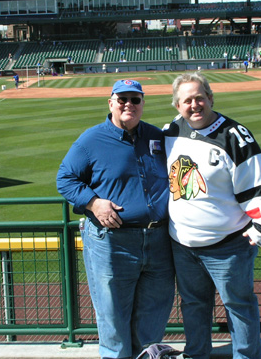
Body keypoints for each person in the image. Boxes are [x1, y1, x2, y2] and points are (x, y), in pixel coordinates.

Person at [57, 79, 175, 359]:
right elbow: (65, 178)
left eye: (135, 99)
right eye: (122, 99)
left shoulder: (157, 137)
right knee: (113, 314)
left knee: (154, 310)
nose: (128, 105)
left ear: (143, 104)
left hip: (159, 240)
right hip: (112, 242)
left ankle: (147, 355)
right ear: (110, 103)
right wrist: (93, 202)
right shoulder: (91, 139)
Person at [163, 72, 261, 359]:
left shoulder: (235, 136)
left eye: (200, 97)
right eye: (187, 100)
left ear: (211, 98)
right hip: (183, 246)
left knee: (238, 305)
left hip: (227, 246)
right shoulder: (170, 133)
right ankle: (197, 355)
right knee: (193, 305)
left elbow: (256, 184)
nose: (195, 105)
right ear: (177, 105)